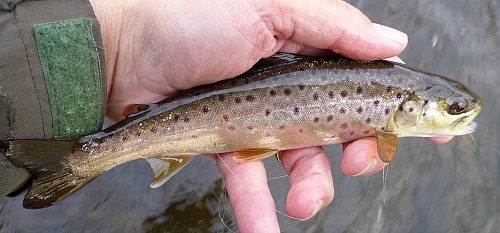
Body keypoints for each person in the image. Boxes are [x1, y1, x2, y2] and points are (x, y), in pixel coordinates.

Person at [0, 0, 452, 232]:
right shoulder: (387, 124)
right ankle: (83, 159)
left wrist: (120, 42)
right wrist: (124, 41)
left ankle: (81, 158)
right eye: (453, 110)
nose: (458, 117)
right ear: (409, 108)